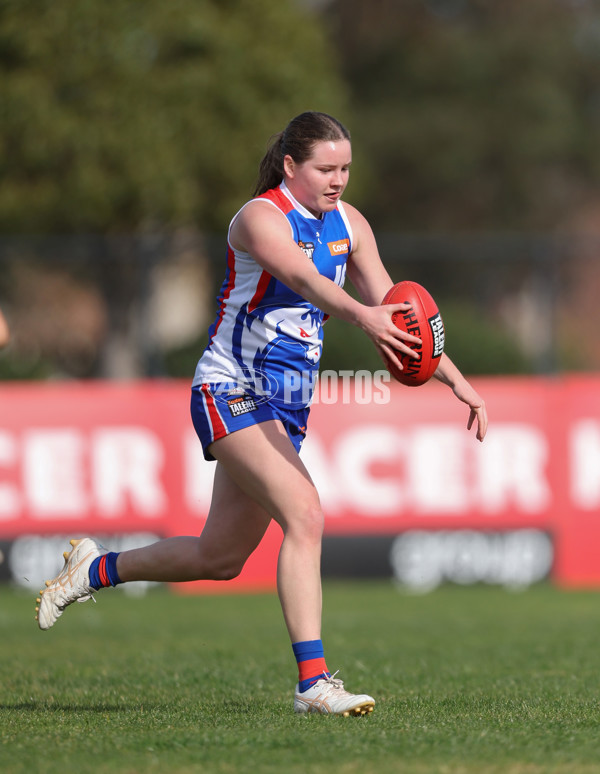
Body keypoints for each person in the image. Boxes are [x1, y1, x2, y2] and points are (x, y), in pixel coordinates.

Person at [35, 112, 487, 716]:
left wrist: (455, 378)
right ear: (290, 165)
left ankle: (94, 569)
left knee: (218, 557)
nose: (338, 181)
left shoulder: (350, 225)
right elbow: (299, 275)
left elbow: (397, 311)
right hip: (229, 388)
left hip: (286, 407)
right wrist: (362, 316)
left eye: (346, 168)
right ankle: (314, 684)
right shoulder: (259, 218)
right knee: (305, 513)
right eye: (325, 168)